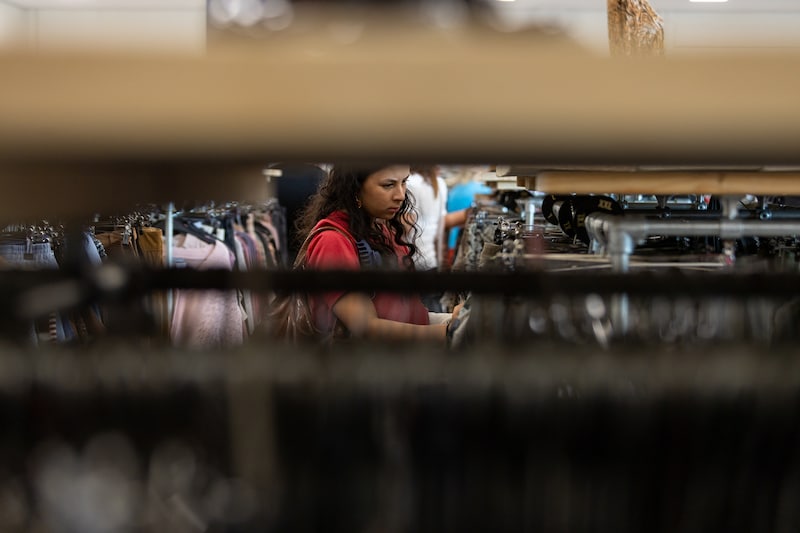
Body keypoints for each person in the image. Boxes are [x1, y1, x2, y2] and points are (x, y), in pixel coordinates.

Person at [295, 163, 460, 342]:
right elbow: (365, 327)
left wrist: (453, 321)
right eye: (388, 185)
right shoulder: (333, 241)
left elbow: (405, 318)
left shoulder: (381, 231)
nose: (400, 195)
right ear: (355, 187)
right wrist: (447, 332)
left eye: (404, 182)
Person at [406, 165, 469, 311]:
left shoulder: (411, 183)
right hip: (432, 261)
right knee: (433, 310)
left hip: (413, 260)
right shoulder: (439, 183)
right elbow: (441, 224)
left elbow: (406, 225)